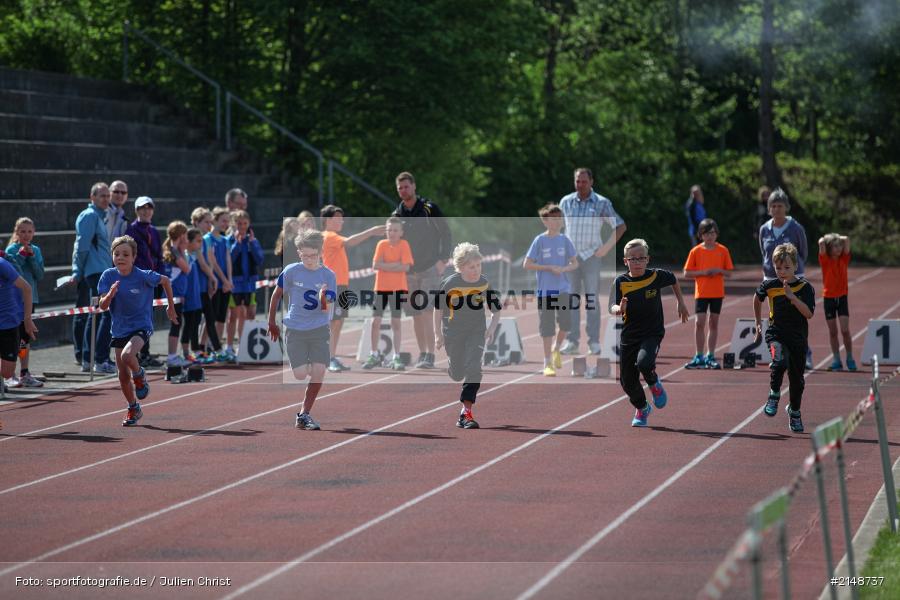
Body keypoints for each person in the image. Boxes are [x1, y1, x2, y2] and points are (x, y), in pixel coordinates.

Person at [98, 235, 178, 426]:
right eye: (117, 254)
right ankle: (133, 407)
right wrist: (110, 294)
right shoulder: (108, 276)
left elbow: (166, 281)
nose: (121, 257)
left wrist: (170, 307)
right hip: (119, 329)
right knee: (122, 375)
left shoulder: (143, 275)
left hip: (141, 326)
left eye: (125, 254)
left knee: (128, 356)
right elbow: (102, 306)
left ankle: (140, 375)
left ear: (134, 257)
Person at [609, 239, 689, 427]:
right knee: (627, 382)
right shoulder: (621, 281)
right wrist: (618, 309)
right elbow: (611, 307)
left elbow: (674, 279)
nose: (637, 262)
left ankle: (653, 383)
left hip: (652, 332)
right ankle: (642, 408)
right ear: (625, 261)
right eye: (632, 259)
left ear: (648, 259)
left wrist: (681, 302)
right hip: (629, 336)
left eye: (641, 258)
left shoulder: (656, 276)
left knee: (645, 363)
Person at [267, 229, 336, 431]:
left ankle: (304, 414)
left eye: (313, 255)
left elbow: (328, 305)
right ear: (299, 253)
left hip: (319, 329)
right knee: (298, 374)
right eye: (304, 255)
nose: (308, 259)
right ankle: (310, 366)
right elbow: (276, 294)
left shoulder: (328, 275)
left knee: (319, 371)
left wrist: (323, 297)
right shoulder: (291, 271)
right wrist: (271, 321)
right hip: (295, 329)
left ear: (320, 253)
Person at [559, 167, 627, 356]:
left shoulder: (601, 203)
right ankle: (572, 342)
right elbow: (559, 228)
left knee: (591, 301)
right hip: (571, 259)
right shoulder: (566, 202)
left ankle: (594, 342)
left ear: (592, 182)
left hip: (591, 257)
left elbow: (620, 226)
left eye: (584, 181)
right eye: (577, 181)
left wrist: (605, 248)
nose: (580, 185)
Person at [434, 243, 501, 429]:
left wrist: (492, 328)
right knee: (457, 374)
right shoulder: (450, 284)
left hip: (476, 331)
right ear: (461, 267)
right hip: (453, 332)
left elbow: (496, 311)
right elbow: (438, 310)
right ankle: (453, 366)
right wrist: (437, 335)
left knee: (474, 368)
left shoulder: (484, 283)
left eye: (479, 266)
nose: (476, 270)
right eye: (472, 267)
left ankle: (466, 413)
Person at [393, 172, 452, 369]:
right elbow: (391, 240)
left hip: (430, 268)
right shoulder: (397, 214)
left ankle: (430, 354)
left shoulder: (429, 208)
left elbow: (446, 232)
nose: (403, 190)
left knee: (427, 311)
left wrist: (443, 259)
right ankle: (422, 353)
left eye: (406, 187)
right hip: (408, 272)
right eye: (400, 188)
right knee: (415, 314)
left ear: (414, 186)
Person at [754, 243, 815, 433]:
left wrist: (793, 298)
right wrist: (758, 322)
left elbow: (809, 314)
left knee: (797, 381)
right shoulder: (770, 286)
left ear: (796, 266)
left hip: (797, 338)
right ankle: (774, 395)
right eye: (778, 268)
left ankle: (794, 411)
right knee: (779, 362)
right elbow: (757, 298)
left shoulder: (805, 288)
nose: (782, 272)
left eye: (787, 268)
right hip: (776, 333)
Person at [320, 204, 383, 372]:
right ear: (327, 220)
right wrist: (371, 231)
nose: (341, 220)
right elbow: (351, 242)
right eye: (337, 218)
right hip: (333, 286)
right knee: (333, 322)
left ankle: (331, 356)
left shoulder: (333, 237)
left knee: (337, 322)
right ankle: (327, 358)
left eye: (342, 217)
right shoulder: (329, 236)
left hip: (340, 285)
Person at [759, 188, 811, 369]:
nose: (776, 209)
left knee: (796, 316)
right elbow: (764, 253)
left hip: (794, 279)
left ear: (786, 207)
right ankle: (779, 354)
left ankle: (805, 353)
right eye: (773, 206)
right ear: (769, 208)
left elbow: (803, 252)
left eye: (780, 205)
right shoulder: (764, 229)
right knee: (776, 317)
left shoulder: (796, 228)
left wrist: (793, 272)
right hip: (771, 278)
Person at [523, 203, 578, 377]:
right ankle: (547, 362)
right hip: (545, 291)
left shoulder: (565, 240)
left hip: (563, 289)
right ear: (545, 221)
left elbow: (575, 263)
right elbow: (527, 264)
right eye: (553, 219)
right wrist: (548, 268)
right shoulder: (539, 240)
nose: (557, 222)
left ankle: (557, 348)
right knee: (547, 328)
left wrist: (564, 269)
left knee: (566, 325)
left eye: (559, 218)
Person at [71, 182, 115, 374]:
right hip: (95, 272)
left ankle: (90, 359)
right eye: (102, 196)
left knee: (96, 314)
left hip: (101, 271)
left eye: (107, 195)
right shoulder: (89, 216)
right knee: (105, 313)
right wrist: (77, 271)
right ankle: (99, 359)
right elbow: (81, 247)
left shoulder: (99, 217)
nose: (106, 199)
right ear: (92, 197)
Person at [682, 218, 734, 370]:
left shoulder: (723, 250)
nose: (710, 236)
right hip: (702, 292)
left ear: (717, 234)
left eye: (712, 233)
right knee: (699, 322)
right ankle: (699, 355)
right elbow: (686, 273)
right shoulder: (696, 251)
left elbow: (729, 273)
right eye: (706, 233)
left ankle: (710, 355)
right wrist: (703, 272)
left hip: (717, 292)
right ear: (700, 235)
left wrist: (719, 271)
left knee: (713, 323)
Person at [363, 217, 414, 371]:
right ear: (386, 231)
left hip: (398, 289)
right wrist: (395, 265)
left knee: (396, 322)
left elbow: (406, 267)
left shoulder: (404, 245)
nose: (392, 233)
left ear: (401, 232)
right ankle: (373, 354)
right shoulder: (381, 244)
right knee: (375, 322)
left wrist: (386, 266)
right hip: (381, 288)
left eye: (395, 230)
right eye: (389, 230)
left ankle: (396, 357)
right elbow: (375, 265)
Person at [5, 217, 46, 387]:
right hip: (14, 300)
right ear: (16, 232)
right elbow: (15, 272)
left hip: (31, 299)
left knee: (25, 338)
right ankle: (9, 374)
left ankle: (24, 372)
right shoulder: (11, 250)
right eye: (22, 231)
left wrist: (31, 257)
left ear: (34, 232)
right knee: (12, 337)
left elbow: (39, 274)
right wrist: (22, 256)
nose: (26, 235)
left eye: (29, 231)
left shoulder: (36, 250)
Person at [125, 196, 165, 368]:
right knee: (138, 318)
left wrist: (160, 278)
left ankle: (145, 353)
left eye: (149, 208)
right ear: (136, 210)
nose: (146, 210)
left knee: (148, 319)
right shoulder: (131, 231)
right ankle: (137, 354)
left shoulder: (154, 231)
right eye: (142, 208)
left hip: (153, 281)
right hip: (138, 281)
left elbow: (159, 256)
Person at [226, 209, 264, 354]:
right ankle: (229, 346)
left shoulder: (252, 240)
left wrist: (252, 243)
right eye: (239, 223)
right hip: (235, 283)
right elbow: (229, 258)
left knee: (250, 314)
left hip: (249, 283)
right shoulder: (229, 240)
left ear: (249, 224)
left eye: (245, 223)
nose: (242, 226)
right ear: (233, 224)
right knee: (234, 315)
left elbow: (260, 259)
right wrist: (237, 243)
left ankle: (245, 344)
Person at [190, 207, 224, 362]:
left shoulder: (205, 240)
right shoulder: (192, 239)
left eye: (211, 222)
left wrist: (211, 280)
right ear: (196, 222)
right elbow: (202, 263)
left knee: (209, 318)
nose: (209, 225)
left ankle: (210, 349)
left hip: (203, 285)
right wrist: (213, 278)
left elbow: (210, 261)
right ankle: (197, 350)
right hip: (194, 285)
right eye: (206, 222)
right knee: (195, 319)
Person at [0, 255, 38, 394]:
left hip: (8, 323)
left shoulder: (2, 265)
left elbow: (27, 288)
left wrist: (27, 319)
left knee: (7, 372)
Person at [819, 233, 856, 371]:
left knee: (845, 330)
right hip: (828, 298)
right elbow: (821, 242)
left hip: (842, 297)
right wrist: (829, 239)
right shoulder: (825, 260)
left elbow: (847, 239)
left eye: (839, 246)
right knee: (833, 332)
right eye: (835, 246)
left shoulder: (844, 259)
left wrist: (837, 237)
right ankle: (836, 359)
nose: (839, 248)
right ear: (829, 248)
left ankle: (850, 358)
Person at [205, 207, 235, 361]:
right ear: (215, 221)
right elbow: (213, 262)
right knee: (211, 316)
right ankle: (206, 346)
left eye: (227, 221)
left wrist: (229, 280)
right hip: (214, 283)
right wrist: (223, 280)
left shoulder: (225, 240)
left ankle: (217, 346)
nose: (225, 224)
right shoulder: (207, 238)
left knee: (222, 317)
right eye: (223, 220)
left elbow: (228, 259)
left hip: (225, 284)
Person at [161, 221, 192, 368]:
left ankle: (173, 355)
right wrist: (184, 248)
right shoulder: (174, 252)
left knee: (177, 324)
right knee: (176, 325)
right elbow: (187, 269)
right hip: (174, 294)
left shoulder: (174, 250)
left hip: (177, 293)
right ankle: (172, 356)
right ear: (180, 236)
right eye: (185, 235)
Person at [180, 228, 205, 362]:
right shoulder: (185, 256)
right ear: (188, 242)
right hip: (188, 296)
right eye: (198, 241)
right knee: (188, 324)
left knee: (195, 323)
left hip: (196, 295)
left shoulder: (194, 256)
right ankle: (185, 352)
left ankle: (193, 350)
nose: (200, 244)